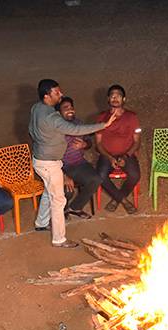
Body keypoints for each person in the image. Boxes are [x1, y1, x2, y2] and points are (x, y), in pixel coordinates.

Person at [29, 79, 115, 247]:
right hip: (49, 162)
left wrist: (41, 141)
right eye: (56, 93)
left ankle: (41, 223)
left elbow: (31, 130)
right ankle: (59, 239)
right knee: (58, 199)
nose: (60, 95)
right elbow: (76, 130)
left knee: (49, 191)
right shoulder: (52, 117)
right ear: (47, 96)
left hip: (40, 159)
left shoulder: (36, 108)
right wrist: (104, 125)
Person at [95, 84, 142, 214]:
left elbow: (137, 141)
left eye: (118, 96)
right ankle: (123, 201)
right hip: (106, 155)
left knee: (135, 175)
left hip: (127, 154)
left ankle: (116, 199)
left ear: (124, 99)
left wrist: (126, 156)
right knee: (100, 176)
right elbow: (98, 143)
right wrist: (109, 157)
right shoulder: (101, 117)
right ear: (108, 99)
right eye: (112, 96)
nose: (115, 98)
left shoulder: (132, 117)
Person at [57, 96, 103, 219]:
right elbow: (51, 157)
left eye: (71, 107)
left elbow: (89, 142)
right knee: (68, 191)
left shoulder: (79, 123)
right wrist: (64, 175)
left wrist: (84, 144)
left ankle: (75, 208)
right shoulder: (56, 128)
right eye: (66, 108)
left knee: (96, 179)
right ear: (59, 112)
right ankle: (63, 209)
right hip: (63, 166)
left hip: (79, 164)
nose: (70, 110)